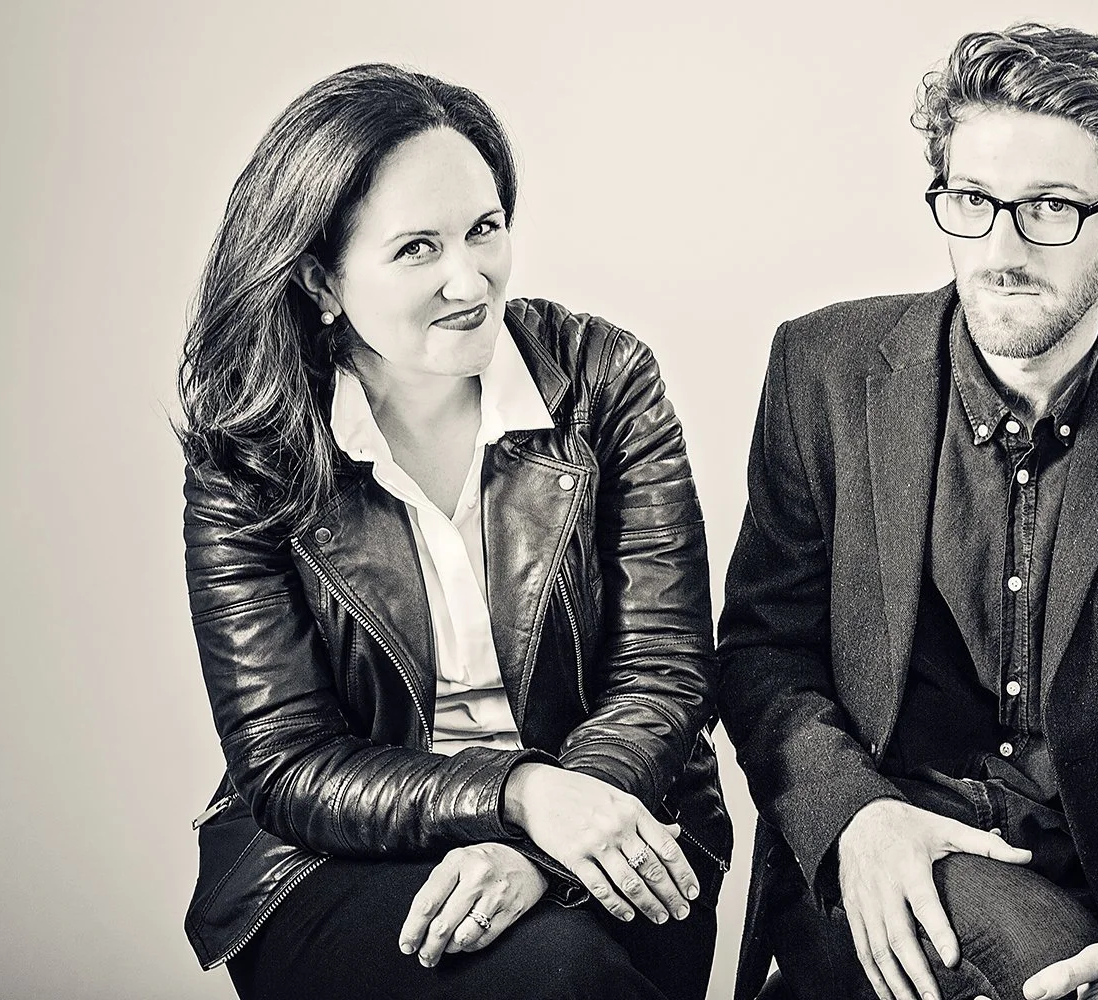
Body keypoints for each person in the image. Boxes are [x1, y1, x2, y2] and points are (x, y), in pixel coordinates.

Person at [719, 24, 1098, 1000]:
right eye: (972, 202)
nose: (1002, 249)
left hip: (1084, 877)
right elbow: (763, 648)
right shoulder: (823, 368)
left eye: (1051, 208)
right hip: (870, 845)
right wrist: (856, 815)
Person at [177, 63, 730, 1000]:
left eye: (484, 229)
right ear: (319, 279)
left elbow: (665, 673)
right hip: (336, 852)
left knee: (568, 970)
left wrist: (546, 847)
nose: (470, 278)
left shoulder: (604, 378)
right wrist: (518, 799)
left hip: (616, 810)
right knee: (559, 979)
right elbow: (286, 761)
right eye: (416, 249)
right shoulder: (253, 446)